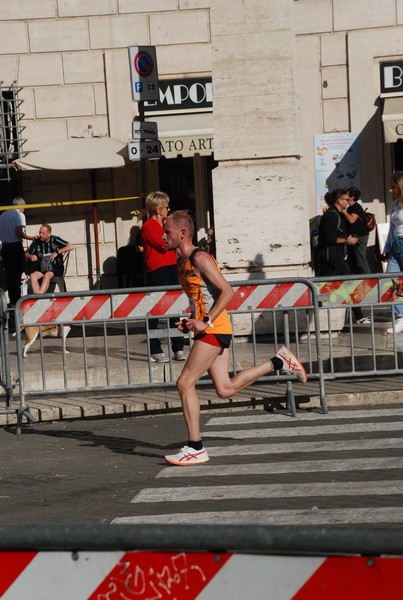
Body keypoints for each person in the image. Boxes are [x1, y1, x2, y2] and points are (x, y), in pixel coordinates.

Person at [161, 210, 307, 466]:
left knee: (185, 383)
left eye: (167, 232)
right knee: (225, 389)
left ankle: (195, 446)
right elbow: (201, 298)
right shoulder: (181, 261)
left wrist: (204, 322)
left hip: (214, 329)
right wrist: (191, 321)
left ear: (182, 233)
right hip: (209, 328)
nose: (163, 236)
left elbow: (227, 291)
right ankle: (278, 362)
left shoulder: (200, 257)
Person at [140, 191, 185, 362]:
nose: (168, 209)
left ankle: (178, 347)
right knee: (156, 309)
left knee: (175, 308)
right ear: (158, 209)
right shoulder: (149, 226)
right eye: (166, 207)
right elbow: (164, 244)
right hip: (158, 269)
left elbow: (178, 237)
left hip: (173, 265)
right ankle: (155, 348)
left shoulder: (167, 222)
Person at [317, 188, 370, 324]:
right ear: (339, 200)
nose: (348, 202)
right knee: (349, 284)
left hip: (333, 258)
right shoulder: (331, 215)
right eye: (346, 200)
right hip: (332, 258)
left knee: (324, 288)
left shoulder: (337, 214)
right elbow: (329, 238)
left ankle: (321, 315)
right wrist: (347, 240)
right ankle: (359, 317)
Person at [0, 197, 36, 306]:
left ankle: (13, 300)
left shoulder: (3, 215)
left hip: (5, 247)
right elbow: (19, 232)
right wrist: (29, 237)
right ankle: (18, 300)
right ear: (21, 206)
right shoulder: (19, 215)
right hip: (15, 246)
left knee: (10, 275)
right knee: (17, 273)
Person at [381, 171, 403, 333]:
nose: (390, 190)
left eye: (393, 187)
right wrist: (387, 248)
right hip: (396, 246)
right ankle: (400, 317)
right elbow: (392, 228)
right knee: (391, 280)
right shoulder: (395, 204)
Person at [25, 224, 74, 294]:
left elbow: (71, 246)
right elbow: (26, 254)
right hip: (42, 268)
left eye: (43, 233)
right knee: (33, 275)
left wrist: (57, 252)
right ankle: (37, 296)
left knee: (47, 275)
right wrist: (31, 257)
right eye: (39, 232)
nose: (40, 235)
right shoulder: (37, 241)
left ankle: (39, 295)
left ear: (49, 234)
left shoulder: (55, 240)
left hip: (55, 268)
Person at [343, 186, 371, 275]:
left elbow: (352, 219)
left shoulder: (356, 207)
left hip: (360, 236)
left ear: (352, 197)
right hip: (353, 236)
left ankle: (369, 278)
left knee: (360, 260)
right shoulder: (350, 208)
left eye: (347, 194)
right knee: (352, 259)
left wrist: (344, 212)